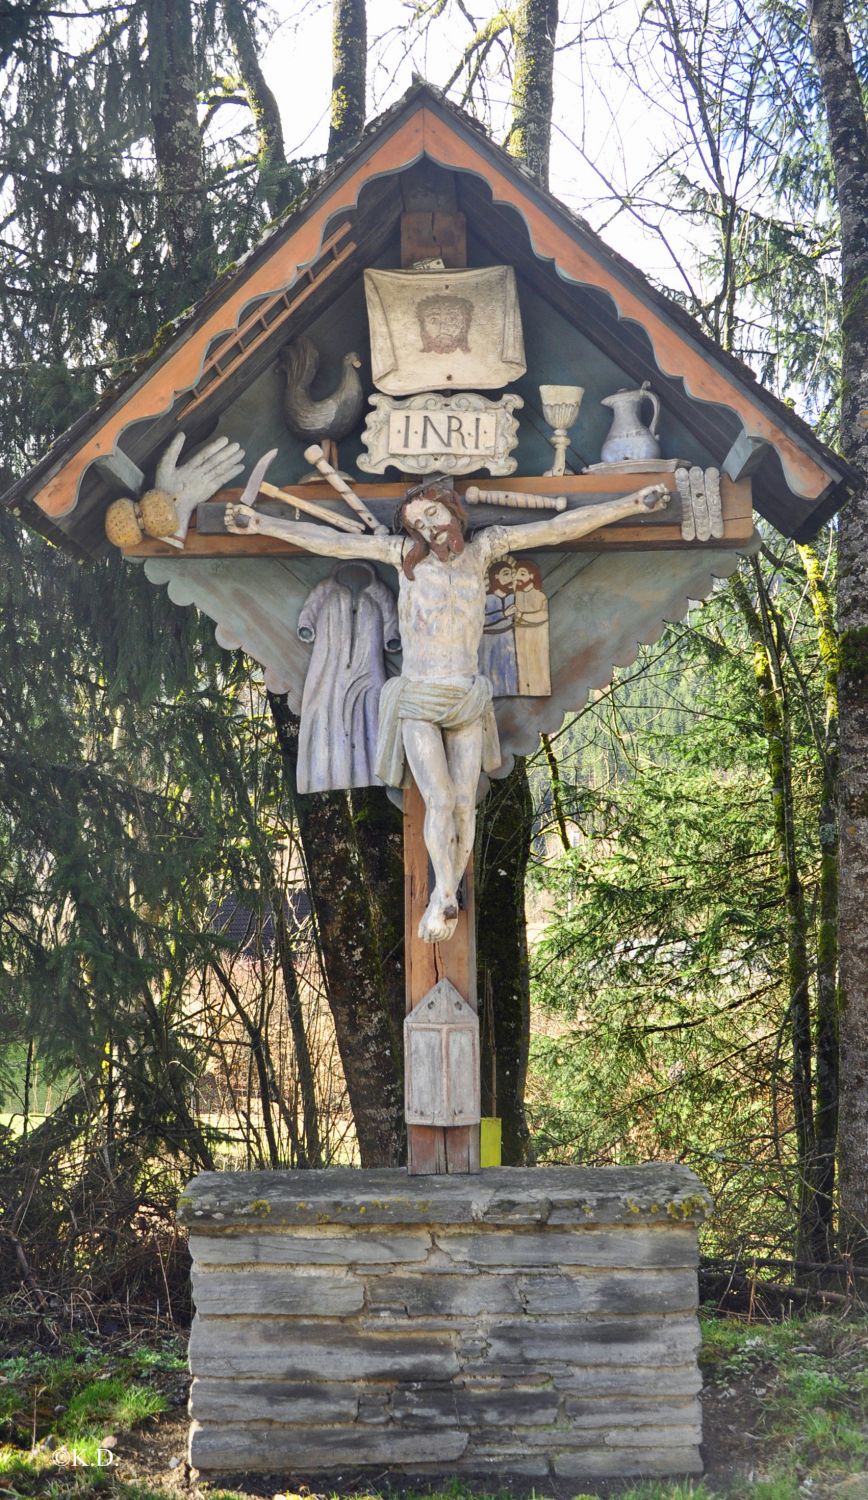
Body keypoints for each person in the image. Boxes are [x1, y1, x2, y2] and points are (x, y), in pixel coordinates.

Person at [225, 472, 669, 944]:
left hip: (466, 696)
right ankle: (443, 895)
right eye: (418, 523)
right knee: (438, 799)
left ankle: (447, 892)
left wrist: (631, 504)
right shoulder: (402, 558)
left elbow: (559, 528)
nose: (430, 528)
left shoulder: (483, 552)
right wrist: (261, 524)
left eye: (433, 514)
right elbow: (330, 543)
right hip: (419, 696)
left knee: (463, 803)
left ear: (454, 512)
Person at [479, 558, 519, 695]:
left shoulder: (512, 597)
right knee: (488, 669)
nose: (511, 578)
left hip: (507, 637)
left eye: (512, 575)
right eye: (506, 574)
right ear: (495, 577)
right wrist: (503, 613)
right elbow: (480, 620)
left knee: (509, 668)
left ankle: (510, 693)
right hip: (488, 639)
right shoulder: (486, 598)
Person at [513, 559, 551, 696]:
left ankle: (540, 689)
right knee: (522, 666)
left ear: (531, 576)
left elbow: (542, 616)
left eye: (522, 574)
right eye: (515, 574)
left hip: (537, 638)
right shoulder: (515, 597)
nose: (517, 577)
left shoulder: (540, 596)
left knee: (537, 666)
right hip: (520, 637)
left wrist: (522, 615)